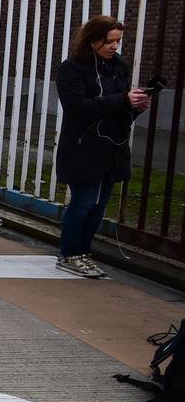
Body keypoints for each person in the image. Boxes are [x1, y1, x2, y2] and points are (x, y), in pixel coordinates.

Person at [53, 15, 150, 277]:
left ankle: (83, 252)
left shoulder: (118, 67)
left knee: (99, 205)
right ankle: (70, 253)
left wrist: (135, 107)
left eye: (118, 41)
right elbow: (76, 108)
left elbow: (120, 110)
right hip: (83, 146)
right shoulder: (72, 68)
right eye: (109, 41)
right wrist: (122, 100)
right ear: (93, 40)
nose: (114, 47)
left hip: (111, 147)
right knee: (83, 201)